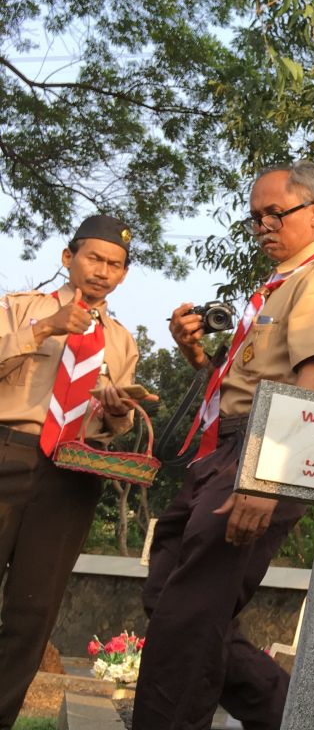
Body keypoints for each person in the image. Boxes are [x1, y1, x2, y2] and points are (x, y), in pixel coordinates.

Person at [133, 160, 314, 730]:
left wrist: (268, 477)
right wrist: (194, 355)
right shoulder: (277, 286)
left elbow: (312, 386)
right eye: (255, 216)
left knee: (189, 615)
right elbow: (237, 385)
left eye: (275, 213)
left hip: (262, 452)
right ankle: (294, 718)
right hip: (224, 452)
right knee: (169, 601)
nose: (263, 224)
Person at [0, 215, 140, 729]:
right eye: (95, 259)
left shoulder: (121, 342)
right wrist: (44, 329)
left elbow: (113, 427)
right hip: (8, 452)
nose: (104, 272)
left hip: (72, 475)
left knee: (32, 614)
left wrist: (119, 411)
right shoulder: (18, 309)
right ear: (68, 258)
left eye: (116, 265)